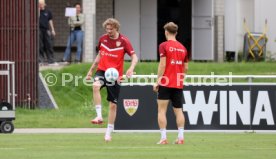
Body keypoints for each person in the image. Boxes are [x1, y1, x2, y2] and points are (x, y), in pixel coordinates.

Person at [86, 18, 138, 142]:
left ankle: (108, 133)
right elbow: (99, 55)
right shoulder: (102, 39)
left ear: (116, 28)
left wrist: (131, 68)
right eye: (107, 29)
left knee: (113, 105)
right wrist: (91, 71)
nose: (108, 31)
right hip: (103, 71)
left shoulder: (124, 41)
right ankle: (99, 116)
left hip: (115, 76)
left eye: (111, 29)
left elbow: (134, 57)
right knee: (95, 86)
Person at [153, 22, 188, 145]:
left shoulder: (163, 45)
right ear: (176, 33)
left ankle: (163, 138)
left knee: (161, 111)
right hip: (178, 83)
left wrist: (158, 80)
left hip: (166, 82)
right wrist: (180, 78)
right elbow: (186, 68)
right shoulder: (183, 48)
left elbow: (162, 64)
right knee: (178, 111)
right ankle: (181, 138)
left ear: (166, 32)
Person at [39, 0, 57, 65]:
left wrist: (53, 30)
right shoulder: (37, 11)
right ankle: (40, 60)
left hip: (46, 29)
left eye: (41, 4)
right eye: (39, 4)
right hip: (39, 30)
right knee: (40, 45)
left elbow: (50, 21)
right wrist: (38, 10)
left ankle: (51, 60)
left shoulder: (48, 11)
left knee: (49, 44)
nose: (40, 5)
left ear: (44, 4)